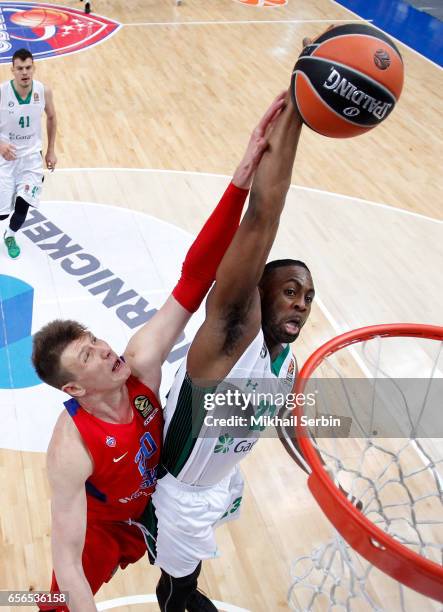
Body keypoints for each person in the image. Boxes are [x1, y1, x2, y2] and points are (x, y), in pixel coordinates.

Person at [31, 93, 286, 612]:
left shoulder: (138, 363)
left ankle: (176, 590)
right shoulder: (70, 447)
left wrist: (240, 179)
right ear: (75, 389)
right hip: (105, 527)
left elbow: (194, 279)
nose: (105, 350)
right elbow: (67, 553)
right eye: (89, 357)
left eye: (95, 341)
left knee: (183, 561)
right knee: (60, 603)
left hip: (159, 501)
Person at [134, 89, 315, 612]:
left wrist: (316, 472)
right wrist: (299, 110)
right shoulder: (232, 336)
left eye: (307, 297)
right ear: (256, 296)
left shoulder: (289, 362)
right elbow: (263, 215)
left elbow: (283, 419)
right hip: (178, 491)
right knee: (179, 591)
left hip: (218, 480)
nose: (300, 304)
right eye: (288, 291)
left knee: (183, 581)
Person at [0, 48, 57, 259]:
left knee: (24, 206)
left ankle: (10, 235)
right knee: (2, 213)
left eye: (28, 68)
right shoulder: (2, 92)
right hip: (6, 158)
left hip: (32, 159)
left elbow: (51, 117)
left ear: (34, 68)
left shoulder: (43, 91)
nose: (25, 72)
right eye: (20, 68)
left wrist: (50, 151)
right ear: (12, 70)